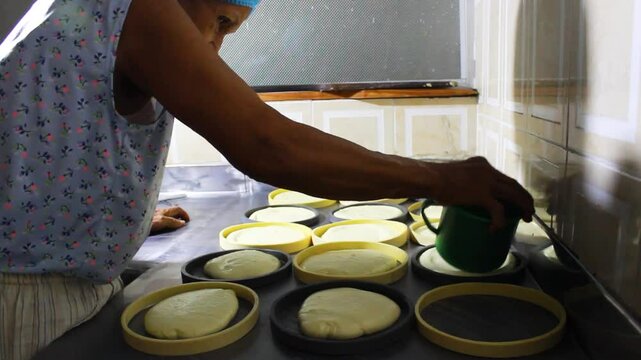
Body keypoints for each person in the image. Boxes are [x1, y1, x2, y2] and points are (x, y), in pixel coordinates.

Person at [0, 0, 534, 358]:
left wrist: (124, 219)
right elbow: (267, 145)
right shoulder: (137, 8)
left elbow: (51, 130)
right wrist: (437, 179)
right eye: (223, 21)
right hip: (23, 301)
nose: (214, 45)